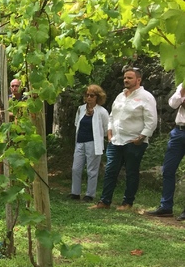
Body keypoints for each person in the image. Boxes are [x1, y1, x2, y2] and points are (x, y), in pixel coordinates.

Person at [90, 67, 157, 211]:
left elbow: (151, 120)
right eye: (125, 78)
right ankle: (105, 201)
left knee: (131, 172)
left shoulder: (146, 97)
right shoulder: (120, 96)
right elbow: (113, 116)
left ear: (138, 80)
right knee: (110, 171)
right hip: (116, 140)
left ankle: (127, 203)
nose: (126, 80)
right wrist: (109, 132)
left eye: (130, 78)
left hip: (134, 141)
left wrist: (141, 137)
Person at [146, 83, 185, 218]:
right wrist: (183, 91)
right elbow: (172, 104)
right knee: (168, 169)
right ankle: (166, 207)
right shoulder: (183, 84)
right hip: (178, 131)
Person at [68, 84, 109, 202]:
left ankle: (89, 194)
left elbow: (106, 129)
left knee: (92, 170)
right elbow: (77, 123)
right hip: (80, 142)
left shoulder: (102, 111)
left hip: (93, 143)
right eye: (87, 95)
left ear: (97, 97)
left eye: (92, 95)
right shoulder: (81, 109)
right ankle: (75, 192)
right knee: (76, 168)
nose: (89, 98)